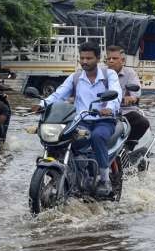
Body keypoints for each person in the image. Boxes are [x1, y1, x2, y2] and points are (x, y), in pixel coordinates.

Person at [32, 41, 122, 195]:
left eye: (89, 58)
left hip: (103, 120)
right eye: (82, 58)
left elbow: (116, 93)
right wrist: (42, 104)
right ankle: (70, 173)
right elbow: (59, 94)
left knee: (97, 136)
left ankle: (104, 180)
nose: (85, 62)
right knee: (63, 138)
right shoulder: (76, 77)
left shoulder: (109, 75)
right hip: (81, 121)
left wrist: (109, 108)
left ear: (98, 58)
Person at [105, 45, 150, 146]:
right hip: (104, 111)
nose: (111, 61)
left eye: (115, 58)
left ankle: (128, 145)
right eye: (109, 58)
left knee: (143, 122)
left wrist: (132, 98)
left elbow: (136, 93)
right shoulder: (101, 73)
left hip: (124, 111)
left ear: (123, 60)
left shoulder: (129, 73)